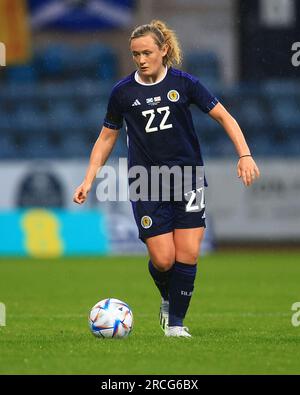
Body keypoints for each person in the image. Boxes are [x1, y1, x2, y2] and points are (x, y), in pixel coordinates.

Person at [73, 20, 260, 338]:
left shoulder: (184, 84)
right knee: (163, 260)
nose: (141, 59)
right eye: (135, 55)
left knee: (187, 254)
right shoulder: (122, 92)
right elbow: (106, 138)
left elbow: (224, 116)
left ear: (164, 50)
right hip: (146, 181)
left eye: (147, 52)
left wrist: (244, 155)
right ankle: (166, 295)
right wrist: (89, 179)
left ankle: (175, 324)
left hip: (188, 178)